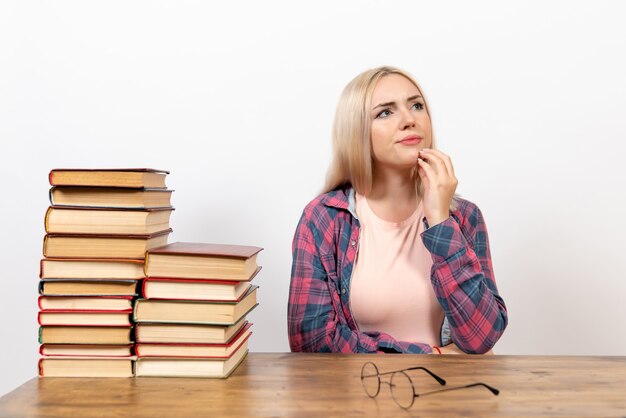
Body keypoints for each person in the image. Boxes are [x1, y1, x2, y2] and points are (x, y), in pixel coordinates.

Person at [288, 66, 508, 354]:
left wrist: (440, 221)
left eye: (417, 105)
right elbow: (311, 342)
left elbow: (483, 336)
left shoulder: (465, 217)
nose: (409, 120)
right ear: (357, 133)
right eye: (385, 112)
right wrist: (433, 355)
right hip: (358, 395)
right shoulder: (324, 218)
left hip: (453, 395)